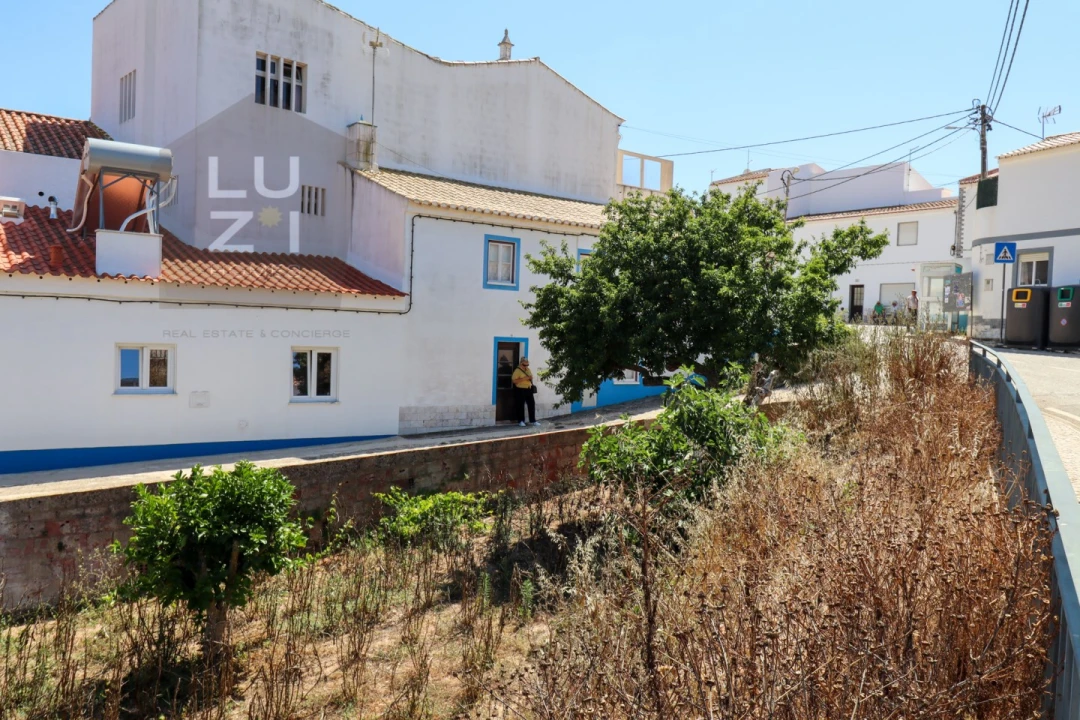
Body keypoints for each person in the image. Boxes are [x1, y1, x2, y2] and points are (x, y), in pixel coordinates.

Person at [511, 357, 540, 427]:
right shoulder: (517, 371)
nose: (526, 366)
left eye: (527, 365)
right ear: (521, 364)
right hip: (520, 389)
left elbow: (530, 376)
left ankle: (533, 420)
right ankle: (521, 421)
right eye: (524, 365)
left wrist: (530, 377)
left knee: (531, 404)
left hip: (528, 389)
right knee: (520, 405)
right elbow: (514, 381)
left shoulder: (528, 369)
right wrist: (525, 378)